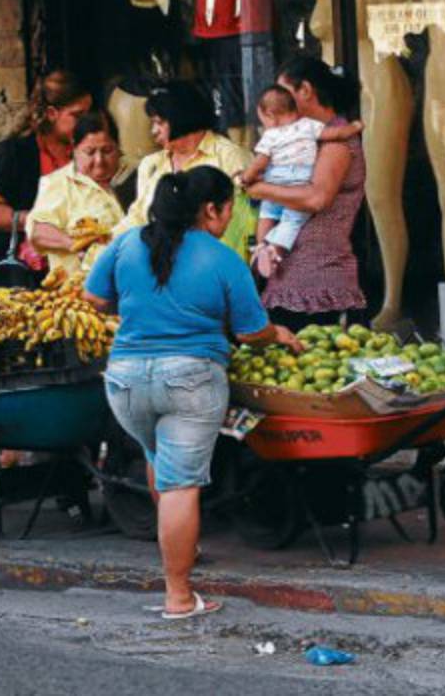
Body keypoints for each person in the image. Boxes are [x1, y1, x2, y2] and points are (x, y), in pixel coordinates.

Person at [84, 166, 300, 619]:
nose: (228, 217)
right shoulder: (220, 258)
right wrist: (278, 333)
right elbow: (250, 331)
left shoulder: (126, 243)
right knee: (181, 485)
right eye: (228, 209)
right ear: (211, 210)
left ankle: (180, 552)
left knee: (157, 458)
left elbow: (95, 297)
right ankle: (179, 595)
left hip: (125, 379)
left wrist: (138, 304)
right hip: (189, 379)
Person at [244, 56, 368, 330]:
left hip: (318, 275)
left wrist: (259, 187)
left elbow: (317, 198)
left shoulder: (336, 139)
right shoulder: (299, 138)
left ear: (306, 91)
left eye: (283, 94)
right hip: (289, 275)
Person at [0, 70, 92, 294]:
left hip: (71, 276)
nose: (86, 122)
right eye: (77, 115)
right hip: (23, 277)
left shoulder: (83, 153)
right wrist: (37, 222)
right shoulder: (12, 153)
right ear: (51, 113)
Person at [114, 81, 255, 262]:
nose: (153, 131)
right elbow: (137, 218)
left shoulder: (230, 158)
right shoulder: (151, 165)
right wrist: (106, 243)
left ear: (180, 118)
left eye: (159, 122)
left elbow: (244, 223)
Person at [238, 86, 363, 278]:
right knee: (292, 221)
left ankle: (261, 246)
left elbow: (260, 161)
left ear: (270, 115)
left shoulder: (270, 135)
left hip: (275, 178)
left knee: (267, 214)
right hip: (299, 181)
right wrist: (354, 127)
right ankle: (275, 251)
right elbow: (336, 134)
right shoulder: (308, 125)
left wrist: (246, 177)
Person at [27, 111, 127, 277]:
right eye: (89, 152)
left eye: (107, 150)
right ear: (74, 149)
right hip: (78, 290)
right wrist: (75, 245)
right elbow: (38, 231)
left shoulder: (138, 173)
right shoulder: (59, 183)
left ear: (118, 147)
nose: (99, 161)